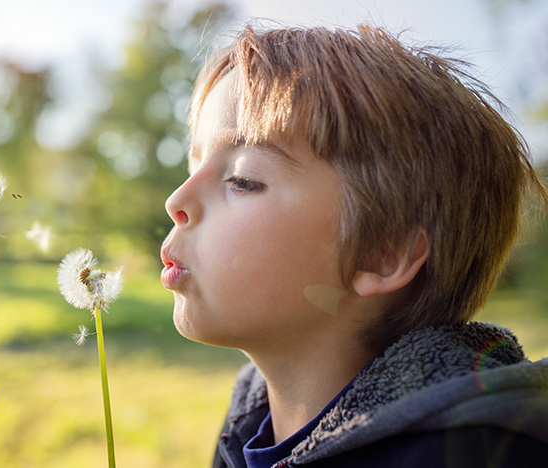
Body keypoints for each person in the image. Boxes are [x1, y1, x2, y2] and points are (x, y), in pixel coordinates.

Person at [159, 24, 548, 467]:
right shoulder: (246, 427)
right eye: (194, 163)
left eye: (242, 179)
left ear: (381, 253)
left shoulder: (469, 454)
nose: (176, 201)